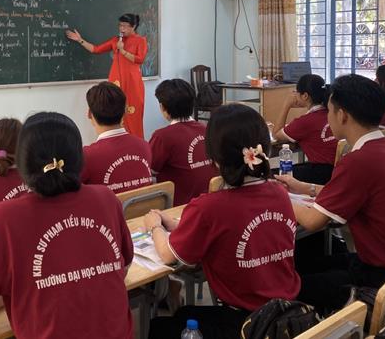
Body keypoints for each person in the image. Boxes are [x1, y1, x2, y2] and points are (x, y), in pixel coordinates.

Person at [0, 112, 134, 338]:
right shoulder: (106, 199)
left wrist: (10, 292)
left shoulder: (2, 219)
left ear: (23, 163)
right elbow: (121, 270)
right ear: (80, 158)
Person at [277, 74, 385, 314]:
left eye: (329, 111)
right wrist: (304, 187)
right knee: (309, 262)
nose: (328, 117)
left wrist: (277, 195)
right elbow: (361, 194)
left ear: (343, 115)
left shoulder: (359, 160)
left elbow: (312, 221)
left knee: (289, 284)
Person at [145, 104, 301, 339]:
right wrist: (175, 224)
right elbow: (227, 230)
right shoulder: (278, 192)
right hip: (286, 312)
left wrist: (155, 226)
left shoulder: (210, 206)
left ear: (214, 157)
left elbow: (168, 255)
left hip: (247, 324)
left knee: (160, 327)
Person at [66, 13, 148, 138]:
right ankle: (115, 142)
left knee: (132, 115)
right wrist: (80, 40)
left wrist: (122, 51)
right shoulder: (116, 40)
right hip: (116, 82)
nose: (121, 29)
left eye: (125, 26)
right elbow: (96, 49)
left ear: (134, 26)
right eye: (120, 25)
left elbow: (140, 59)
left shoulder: (140, 40)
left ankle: (135, 142)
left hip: (132, 83)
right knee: (111, 112)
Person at [149, 79, 218, 206]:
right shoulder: (207, 129)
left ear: (162, 107)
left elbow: (148, 171)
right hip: (211, 201)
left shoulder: (162, 136)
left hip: (179, 206)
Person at [82, 82, 153, 193]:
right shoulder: (144, 146)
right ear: (125, 111)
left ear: (90, 114)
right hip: (146, 205)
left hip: (108, 205)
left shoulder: (86, 156)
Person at [271, 74, 338, 184]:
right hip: (337, 170)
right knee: (298, 167)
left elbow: (276, 134)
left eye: (296, 92)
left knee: (272, 173)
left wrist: (286, 105)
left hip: (322, 173)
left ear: (305, 96)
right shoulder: (330, 113)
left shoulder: (305, 121)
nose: (294, 95)